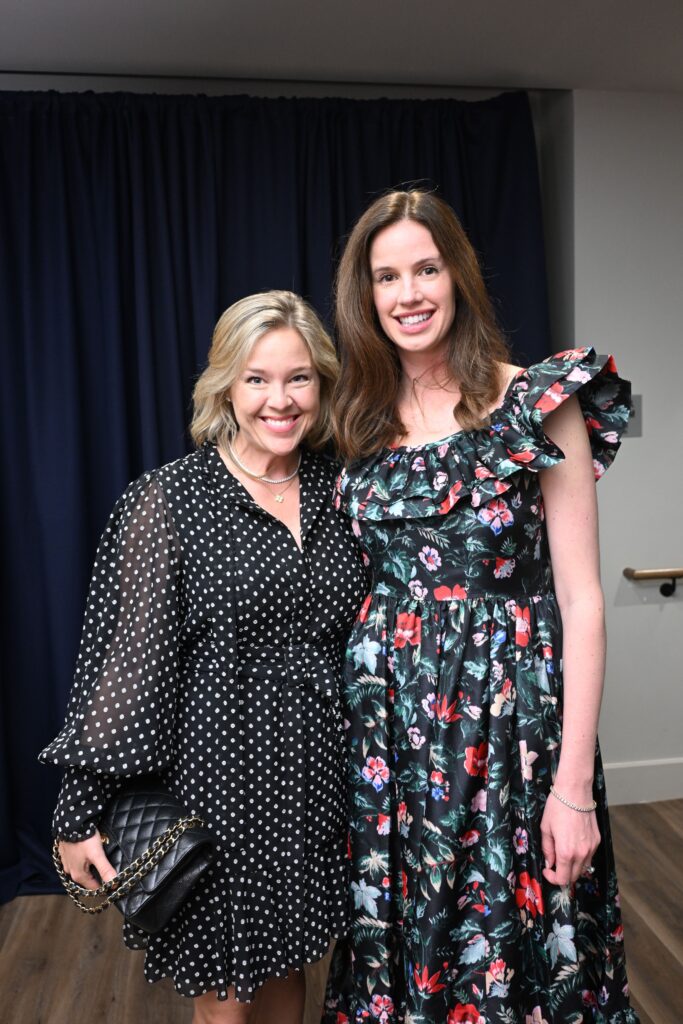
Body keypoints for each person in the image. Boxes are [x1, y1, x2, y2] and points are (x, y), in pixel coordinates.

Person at [323, 191, 639, 1024]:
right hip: (389, 744)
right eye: (386, 276)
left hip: (514, 737)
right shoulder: (349, 420)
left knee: (525, 949)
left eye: (425, 268)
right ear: (365, 297)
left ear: (457, 275)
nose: (408, 293)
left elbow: (581, 599)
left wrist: (571, 785)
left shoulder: (536, 402)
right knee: (407, 950)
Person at [39, 290, 369, 1024]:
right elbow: (123, 665)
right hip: (219, 784)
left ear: (322, 382)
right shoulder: (168, 500)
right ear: (223, 384)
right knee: (225, 998)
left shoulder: (343, 488)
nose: (278, 400)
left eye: (298, 378)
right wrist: (76, 811)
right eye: (256, 378)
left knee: (289, 964)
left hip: (317, 781)